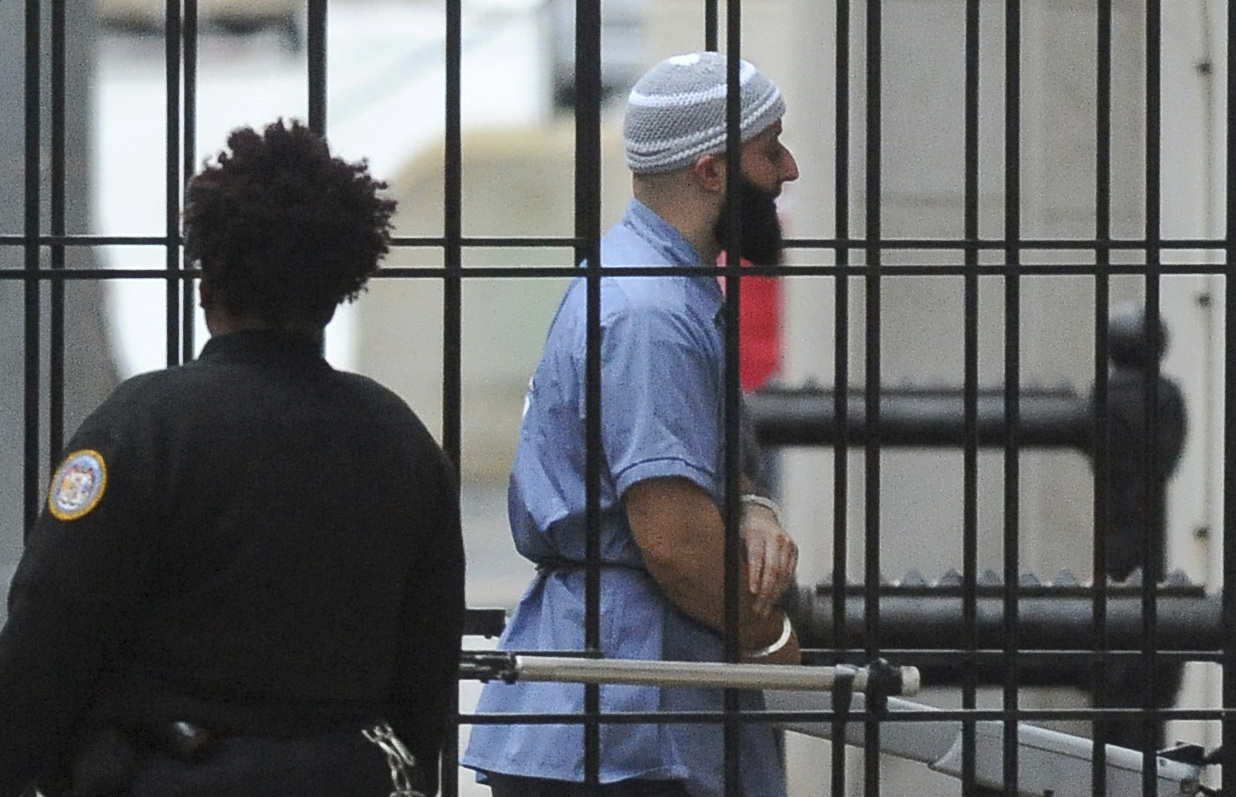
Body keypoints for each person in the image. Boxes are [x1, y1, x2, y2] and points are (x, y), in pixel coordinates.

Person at [0, 120, 465, 797]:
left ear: (205, 283)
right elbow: (427, 663)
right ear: (339, 289)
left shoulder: (142, 429)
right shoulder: (402, 440)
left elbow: (49, 636)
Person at [463, 52, 801, 797]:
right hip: (631, 720)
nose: (789, 170)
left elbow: (698, 466)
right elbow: (675, 541)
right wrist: (774, 642)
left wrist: (750, 505)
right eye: (770, 149)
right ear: (712, 171)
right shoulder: (653, 312)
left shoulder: (646, 281)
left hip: (616, 702)